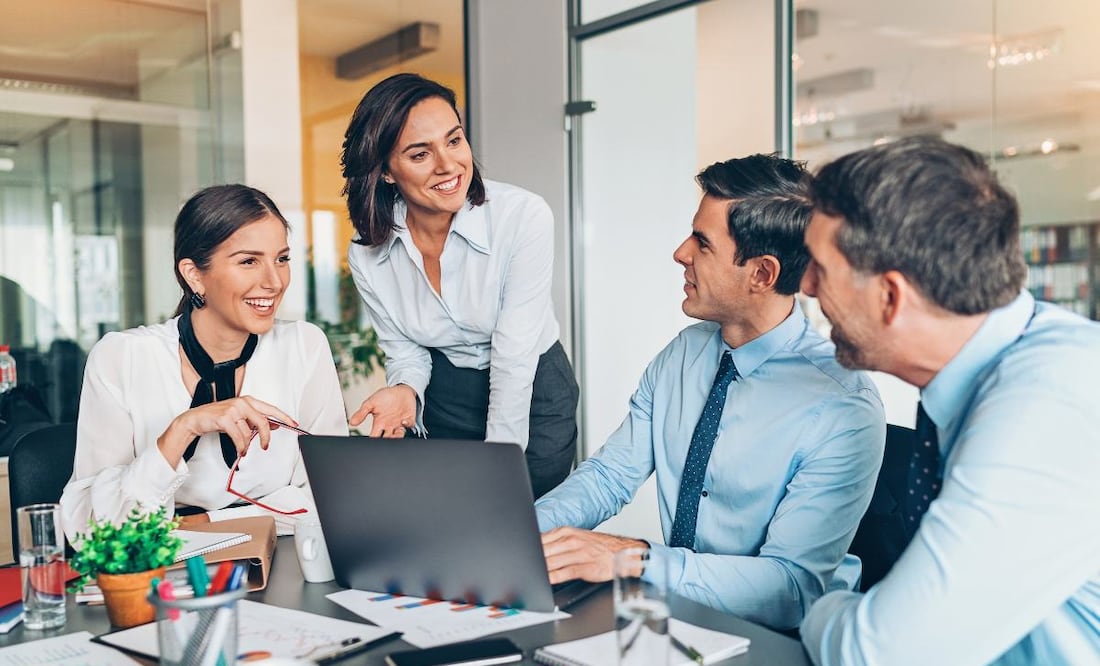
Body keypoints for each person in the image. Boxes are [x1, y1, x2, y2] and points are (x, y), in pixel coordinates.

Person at [535, 154, 886, 631]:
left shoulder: (841, 406)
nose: (681, 253)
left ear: (762, 274)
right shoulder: (684, 354)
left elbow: (792, 589)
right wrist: (521, 536)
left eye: (702, 243)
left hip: (780, 640)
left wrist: (636, 558)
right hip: (683, 616)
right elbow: (608, 476)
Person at [799, 137, 1100, 665]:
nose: (804, 286)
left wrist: (818, 608)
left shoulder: (1048, 405)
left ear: (890, 297)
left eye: (820, 269)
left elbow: (880, 654)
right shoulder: (982, 376)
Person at [61, 185, 348, 540]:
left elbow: (330, 500)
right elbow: (89, 527)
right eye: (248, 261)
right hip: (159, 573)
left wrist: (200, 525)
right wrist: (183, 429)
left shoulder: (304, 346)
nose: (274, 282)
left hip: (281, 562)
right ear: (194, 274)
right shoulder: (122, 358)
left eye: (282, 259)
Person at [341, 73, 578, 498]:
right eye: (419, 154)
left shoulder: (522, 217)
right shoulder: (368, 253)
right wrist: (405, 389)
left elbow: (514, 355)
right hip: (446, 388)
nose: (448, 165)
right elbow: (406, 350)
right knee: (441, 518)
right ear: (387, 172)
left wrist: (498, 467)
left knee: (519, 523)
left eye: (454, 140)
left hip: (533, 386)